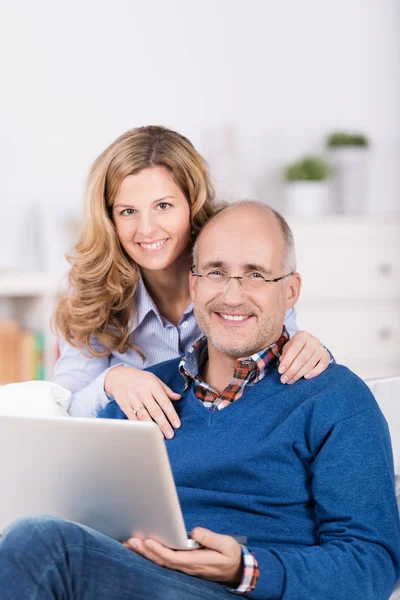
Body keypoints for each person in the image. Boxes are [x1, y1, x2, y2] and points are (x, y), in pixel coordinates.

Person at [1, 201, 399, 599]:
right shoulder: (144, 393)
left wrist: (244, 569)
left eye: (256, 274)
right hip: (135, 580)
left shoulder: (335, 399)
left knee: (40, 544)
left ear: (291, 290)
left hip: (248, 590)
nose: (232, 294)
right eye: (216, 272)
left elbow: (373, 563)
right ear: (194, 285)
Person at [52, 126, 331, 438]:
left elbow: (286, 372)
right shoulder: (93, 293)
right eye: (128, 211)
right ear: (110, 220)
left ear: (192, 203)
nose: (147, 229)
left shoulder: (237, 272)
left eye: (163, 206)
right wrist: (113, 381)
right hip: (141, 463)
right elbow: (61, 408)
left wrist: (310, 352)